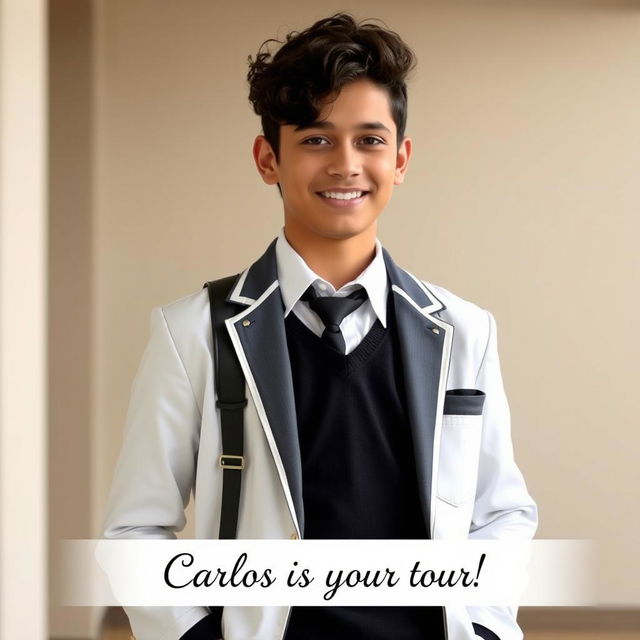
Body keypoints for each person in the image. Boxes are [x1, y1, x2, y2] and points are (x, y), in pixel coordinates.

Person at [103, 12, 537, 640]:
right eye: (315, 139)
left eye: (370, 140)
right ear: (267, 158)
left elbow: (501, 513)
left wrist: (486, 628)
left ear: (402, 158)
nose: (345, 164)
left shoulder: (466, 331)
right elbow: (134, 530)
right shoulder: (191, 332)